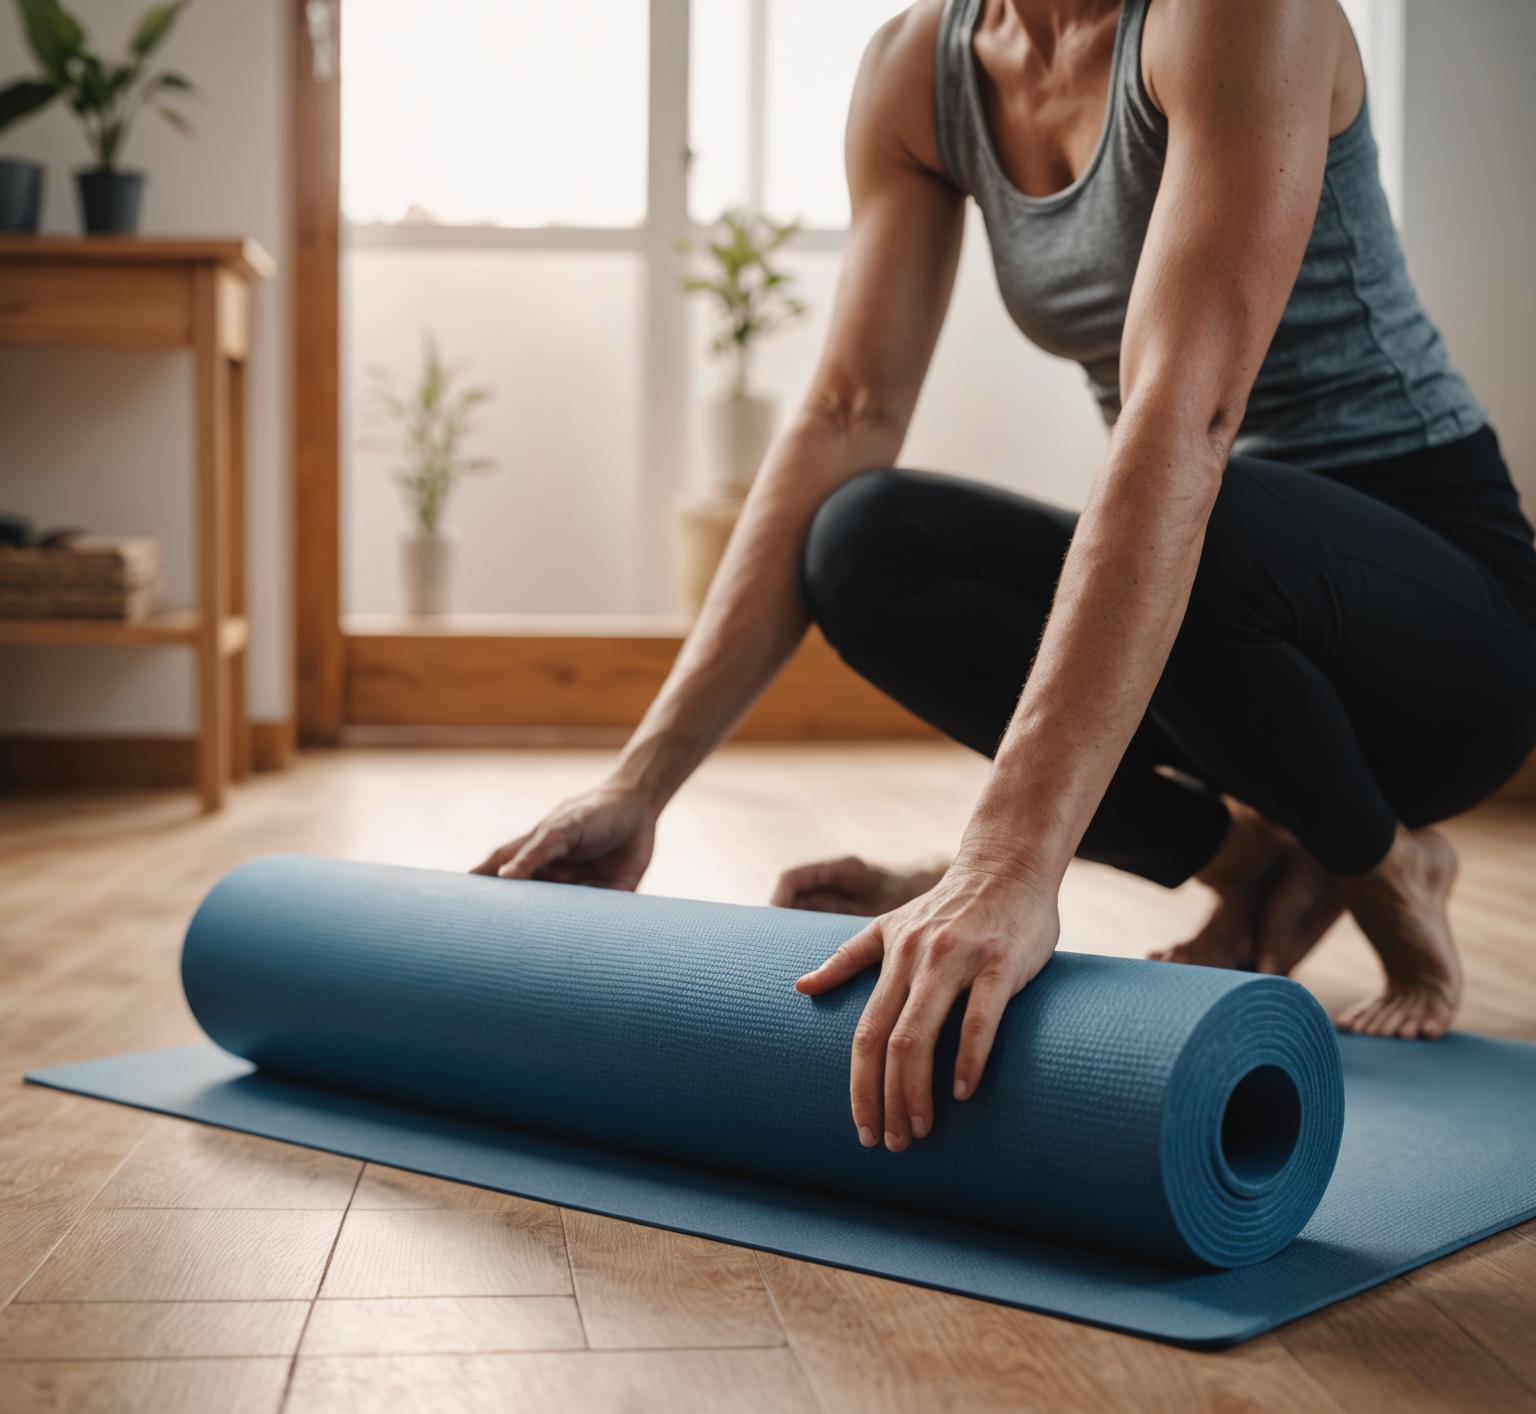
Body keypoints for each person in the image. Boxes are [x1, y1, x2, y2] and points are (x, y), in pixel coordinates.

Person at [476, 0, 1536, 1155]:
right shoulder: (917, 72)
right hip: (1220, 614)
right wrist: (638, 786)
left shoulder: (1237, 17)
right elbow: (849, 410)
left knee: (1200, 510)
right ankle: (1256, 857)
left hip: (1450, 638)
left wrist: (1000, 865)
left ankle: (1385, 866)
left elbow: (1188, 416)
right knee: (864, 542)